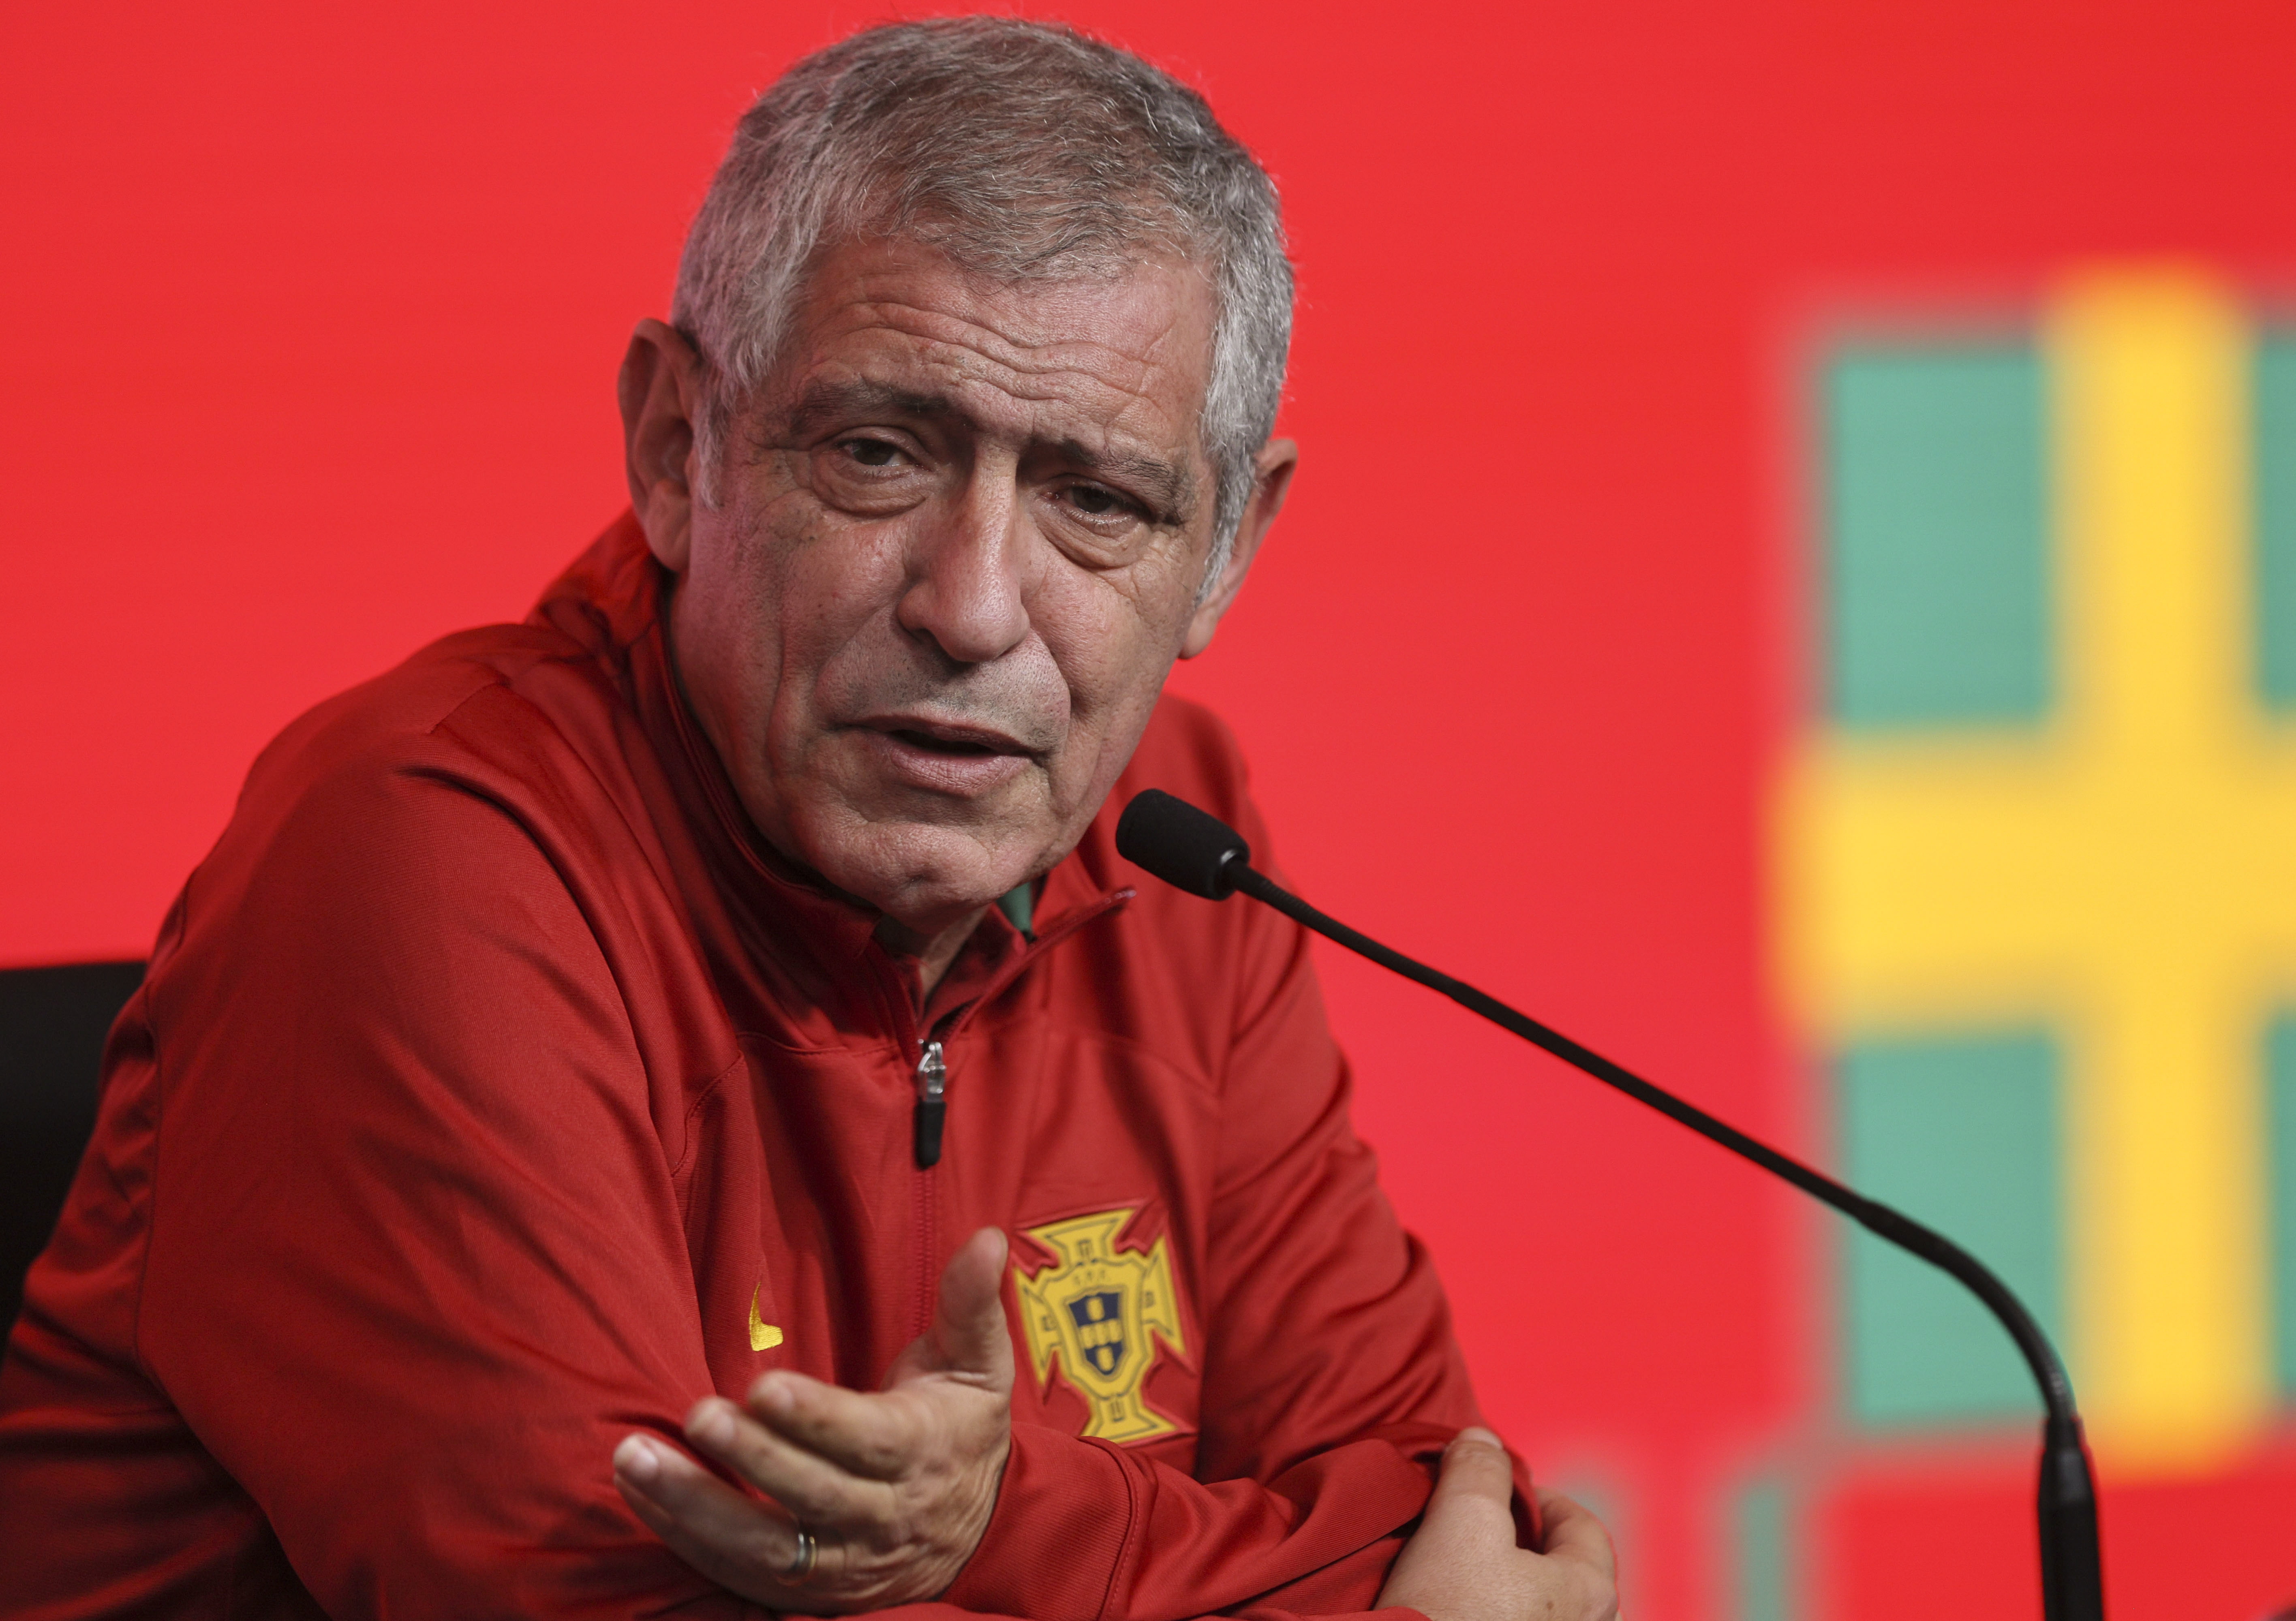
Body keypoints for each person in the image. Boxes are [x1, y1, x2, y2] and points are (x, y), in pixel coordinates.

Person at [0, 19, 1618, 1621]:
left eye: (1096, 499)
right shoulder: (424, 854)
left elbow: (1449, 1520)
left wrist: (995, 1525)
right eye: (878, 453)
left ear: (1224, 552)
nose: (976, 607)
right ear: (672, 442)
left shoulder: (1173, 839)